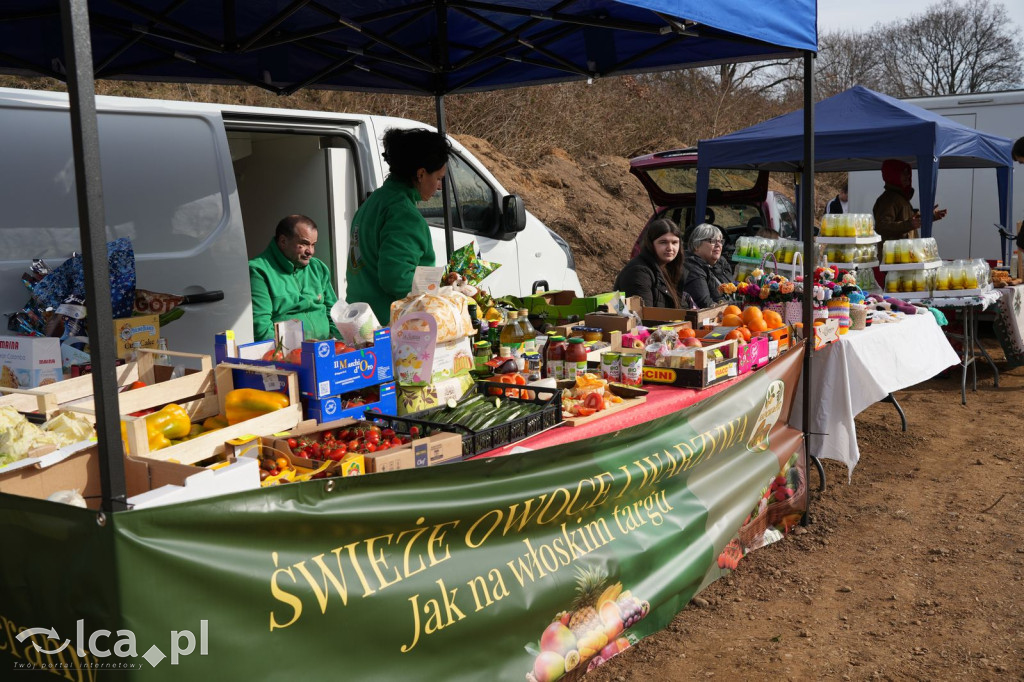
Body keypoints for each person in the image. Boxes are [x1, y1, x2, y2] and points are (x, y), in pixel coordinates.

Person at [346, 127, 453, 322]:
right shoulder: (404, 214)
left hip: (361, 320)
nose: (439, 186)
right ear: (421, 174)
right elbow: (397, 280)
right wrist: (444, 293)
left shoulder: (375, 201)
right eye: (438, 178)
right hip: (390, 328)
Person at [249, 214, 341, 342]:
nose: (311, 251)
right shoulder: (259, 271)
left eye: (313, 245)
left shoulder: (318, 268)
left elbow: (335, 314)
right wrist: (296, 352)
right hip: (289, 355)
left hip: (325, 349)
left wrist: (345, 344)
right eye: (304, 244)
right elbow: (261, 328)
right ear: (283, 241)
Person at [614, 219, 696, 309]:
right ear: (651, 244)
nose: (670, 248)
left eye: (674, 242)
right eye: (663, 242)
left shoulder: (672, 268)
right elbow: (644, 316)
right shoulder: (638, 272)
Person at [872, 159, 947, 244]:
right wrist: (909, 224)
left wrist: (929, 216)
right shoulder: (889, 199)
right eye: (903, 173)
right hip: (895, 255)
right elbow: (882, 227)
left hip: (904, 254)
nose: (908, 176)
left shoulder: (900, 198)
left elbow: (909, 220)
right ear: (893, 175)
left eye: (908, 172)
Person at [682, 223, 734, 308]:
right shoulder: (692, 267)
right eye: (712, 241)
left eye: (720, 241)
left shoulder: (722, 263)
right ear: (696, 245)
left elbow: (733, 291)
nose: (718, 245)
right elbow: (705, 303)